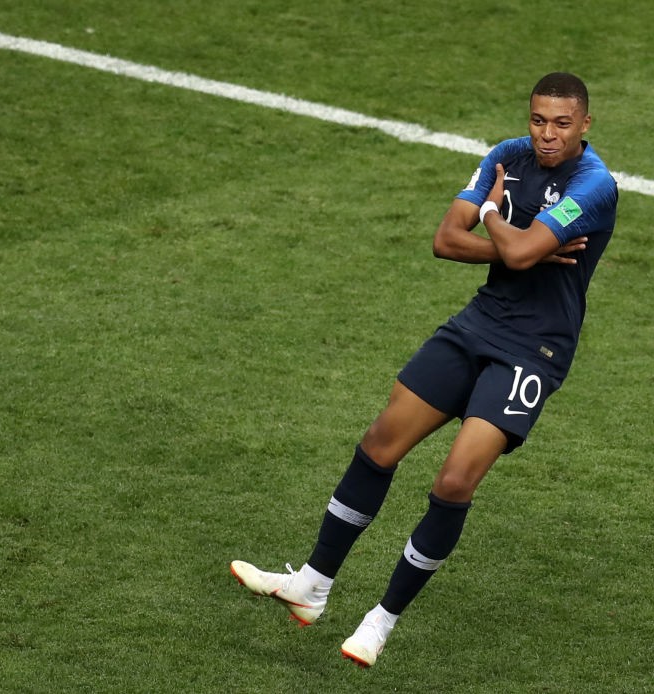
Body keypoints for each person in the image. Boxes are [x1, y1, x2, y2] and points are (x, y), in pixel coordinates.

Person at [230, 72, 618, 668]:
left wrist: (492, 211)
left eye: (562, 123)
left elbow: (509, 250)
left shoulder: (593, 185)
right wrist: (522, 242)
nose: (546, 134)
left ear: (585, 125)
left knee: (454, 482)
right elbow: (445, 241)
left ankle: (379, 623)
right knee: (380, 443)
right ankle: (312, 584)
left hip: (533, 349)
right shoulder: (506, 154)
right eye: (538, 119)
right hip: (478, 323)